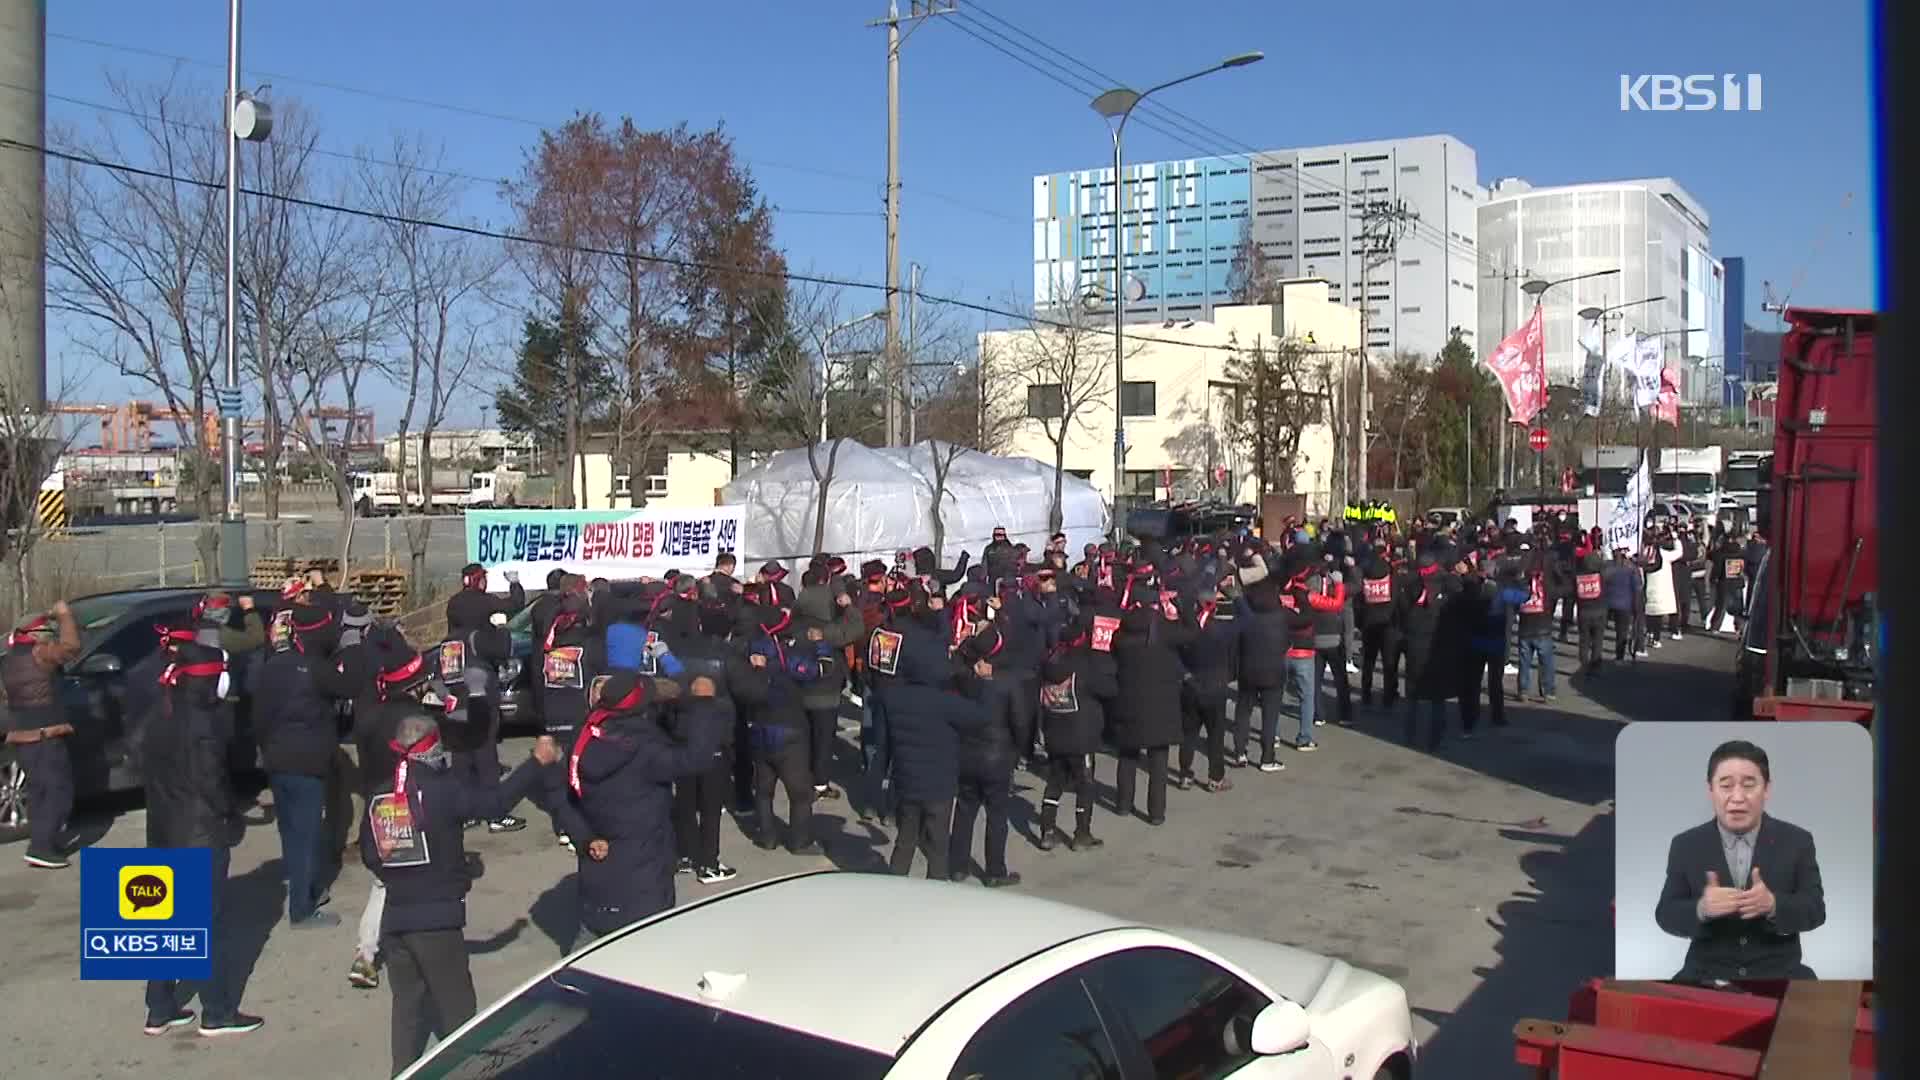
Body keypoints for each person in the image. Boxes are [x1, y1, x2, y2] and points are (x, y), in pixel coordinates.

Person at [365, 700, 560, 1076]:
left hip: (395, 921)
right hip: (435, 921)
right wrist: (535, 762)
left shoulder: (379, 794)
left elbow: (375, 858)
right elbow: (495, 802)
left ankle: (401, 1073)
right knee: (459, 1013)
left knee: (407, 1009)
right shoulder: (443, 789)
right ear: (432, 748)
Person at [138, 632, 265, 1038]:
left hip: (161, 827)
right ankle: (217, 1010)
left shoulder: (160, 712)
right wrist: (232, 819)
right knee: (205, 924)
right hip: (199, 832)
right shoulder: (204, 725)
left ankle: (159, 1007)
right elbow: (213, 784)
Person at [551, 671, 727, 948]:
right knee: (643, 958)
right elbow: (696, 758)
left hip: (597, 873)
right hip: (642, 879)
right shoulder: (644, 750)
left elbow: (565, 802)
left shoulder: (584, 736)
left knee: (589, 950)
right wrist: (703, 704)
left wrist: (585, 838)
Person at [1654, 739, 1826, 983]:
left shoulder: (1798, 841)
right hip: (1705, 976)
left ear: (1766, 789)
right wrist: (1702, 909)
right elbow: (1666, 914)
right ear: (1710, 790)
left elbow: (1816, 910)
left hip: (1780, 976)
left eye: (1749, 785)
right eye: (1725, 785)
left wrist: (1773, 904)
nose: (1737, 797)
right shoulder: (1686, 844)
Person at [248, 604, 346, 928]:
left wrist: (266, 749)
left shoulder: (270, 666)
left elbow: (258, 717)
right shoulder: (315, 668)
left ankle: (304, 890)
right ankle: (302, 909)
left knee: (291, 833)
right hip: (307, 763)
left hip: (278, 762)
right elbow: (350, 686)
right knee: (306, 834)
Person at [881, 604, 985, 878]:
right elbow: (980, 716)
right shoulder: (944, 703)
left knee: (905, 840)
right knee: (938, 846)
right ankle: (936, 893)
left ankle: (893, 886)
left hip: (907, 781)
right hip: (939, 786)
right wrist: (978, 682)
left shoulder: (895, 700)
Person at [733, 603, 827, 856]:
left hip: (758, 729)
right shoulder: (788, 659)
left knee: (764, 789)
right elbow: (822, 669)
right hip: (789, 730)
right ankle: (799, 841)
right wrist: (821, 646)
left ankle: (767, 837)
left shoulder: (746, 655)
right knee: (800, 792)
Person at [3, 601, 81, 868]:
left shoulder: (11, 657)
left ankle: (43, 840)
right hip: (45, 735)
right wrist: (65, 616)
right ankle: (41, 847)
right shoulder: (40, 653)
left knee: (39, 793)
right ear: (37, 634)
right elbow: (71, 648)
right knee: (59, 791)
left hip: (23, 736)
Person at [1110, 596, 1194, 825]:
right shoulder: (1164, 634)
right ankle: (1156, 812)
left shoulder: (1120, 637)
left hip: (1128, 701)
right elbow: (1192, 633)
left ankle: (1123, 804)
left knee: (1127, 756)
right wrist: (1185, 607)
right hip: (1161, 705)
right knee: (1158, 761)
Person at [947, 624, 1020, 887]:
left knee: (965, 810)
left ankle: (957, 865)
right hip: (997, 755)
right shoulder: (1007, 684)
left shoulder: (962, 679)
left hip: (967, 752)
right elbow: (1019, 722)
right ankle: (995, 870)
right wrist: (1019, 751)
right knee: (997, 814)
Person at [1036, 618, 1115, 850]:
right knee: (1085, 785)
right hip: (1081, 737)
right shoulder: (1085, 666)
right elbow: (1109, 689)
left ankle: (1047, 831)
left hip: (1054, 733)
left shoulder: (1048, 664)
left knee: (1055, 782)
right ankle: (1082, 834)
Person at [1175, 581, 1237, 793]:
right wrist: (1233, 594)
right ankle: (1215, 778)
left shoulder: (1187, 629)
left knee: (1189, 734)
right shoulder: (1222, 630)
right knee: (1215, 735)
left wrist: (1185, 675)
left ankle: (1185, 774)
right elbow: (1246, 620)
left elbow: (1177, 655)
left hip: (1192, 685)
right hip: (1216, 686)